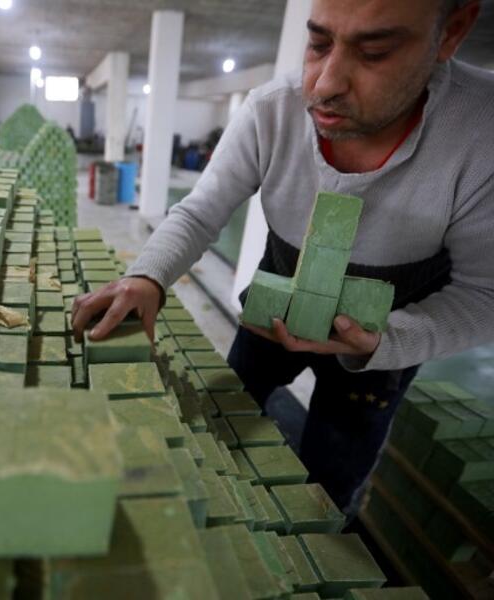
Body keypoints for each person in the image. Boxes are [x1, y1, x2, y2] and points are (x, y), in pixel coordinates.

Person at [72, 0, 493, 515]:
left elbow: (484, 293)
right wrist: (148, 277)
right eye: (317, 44)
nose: (324, 84)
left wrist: (388, 340)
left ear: (451, 32)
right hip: (274, 307)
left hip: (384, 338)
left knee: (328, 485)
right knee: (220, 420)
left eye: (374, 52)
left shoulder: (481, 132)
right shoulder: (272, 109)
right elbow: (200, 211)